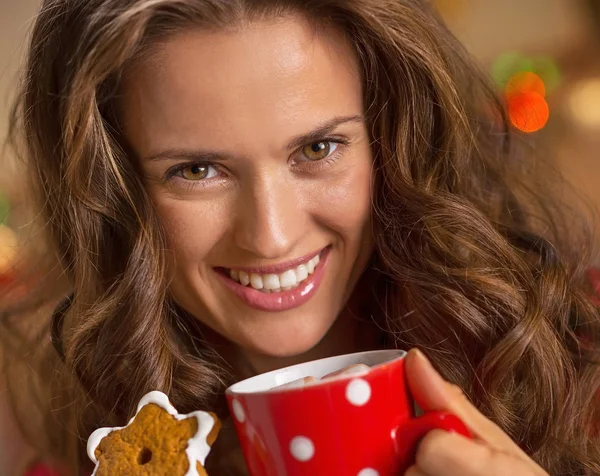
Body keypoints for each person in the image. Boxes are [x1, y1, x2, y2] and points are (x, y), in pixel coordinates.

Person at [1, 0, 600, 474]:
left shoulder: (578, 362)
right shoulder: (79, 449)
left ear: (394, 142)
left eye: (318, 148)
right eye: (197, 170)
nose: (271, 236)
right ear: (117, 193)